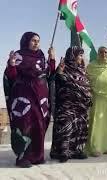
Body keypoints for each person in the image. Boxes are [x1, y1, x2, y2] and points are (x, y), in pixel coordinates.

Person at [3, 32, 55, 168]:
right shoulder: (18, 55)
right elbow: (12, 77)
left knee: (39, 125)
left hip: (41, 99)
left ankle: (37, 156)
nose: (36, 43)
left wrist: (52, 59)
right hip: (23, 99)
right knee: (24, 126)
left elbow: (48, 73)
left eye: (38, 40)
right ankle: (22, 157)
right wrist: (12, 64)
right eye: (33, 40)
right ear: (26, 41)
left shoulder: (42, 56)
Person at [50, 46, 92, 162]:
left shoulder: (82, 70)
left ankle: (76, 150)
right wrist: (59, 73)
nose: (81, 58)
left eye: (82, 55)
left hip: (81, 107)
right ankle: (63, 151)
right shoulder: (63, 67)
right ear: (72, 56)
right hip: (66, 105)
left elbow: (86, 86)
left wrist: (87, 96)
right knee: (66, 126)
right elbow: (55, 82)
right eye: (79, 55)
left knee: (79, 127)